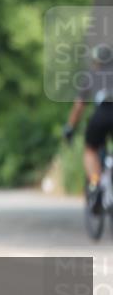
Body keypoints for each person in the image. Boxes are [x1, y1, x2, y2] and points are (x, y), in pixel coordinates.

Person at [62, 45, 113, 213]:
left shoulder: (93, 75)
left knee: (90, 149)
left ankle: (95, 182)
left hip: (102, 114)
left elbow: (79, 107)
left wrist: (70, 128)